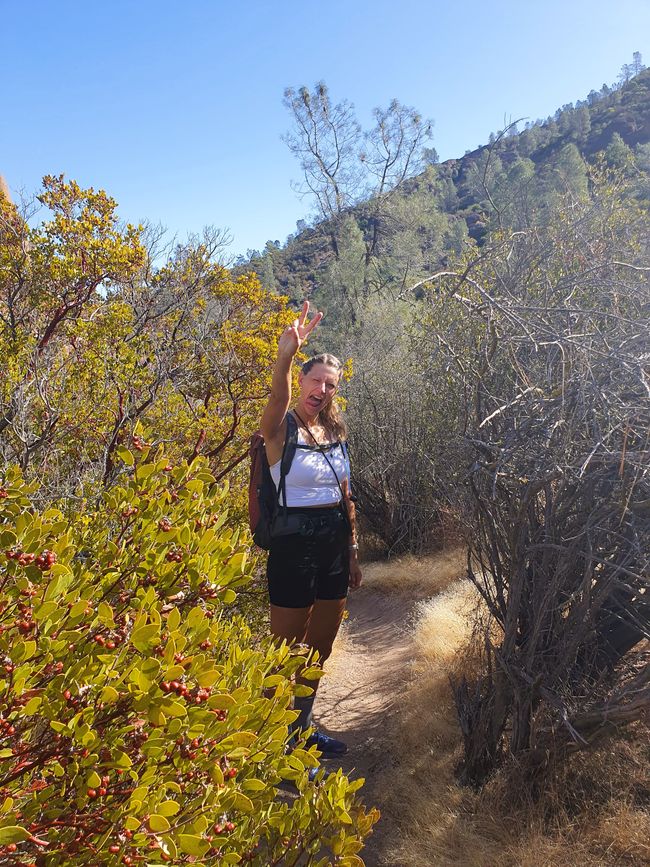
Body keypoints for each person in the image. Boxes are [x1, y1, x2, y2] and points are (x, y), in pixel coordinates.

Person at [261, 300, 362, 757]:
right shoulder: (281, 429)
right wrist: (286, 353)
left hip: (333, 542)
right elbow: (277, 401)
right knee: (286, 648)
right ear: (301, 380)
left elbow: (346, 494)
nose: (321, 389)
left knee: (320, 642)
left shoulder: (335, 430)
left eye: (330, 384)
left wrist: (354, 551)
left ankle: (300, 732)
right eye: (315, 380)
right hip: (292, 540)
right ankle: (270, 741)